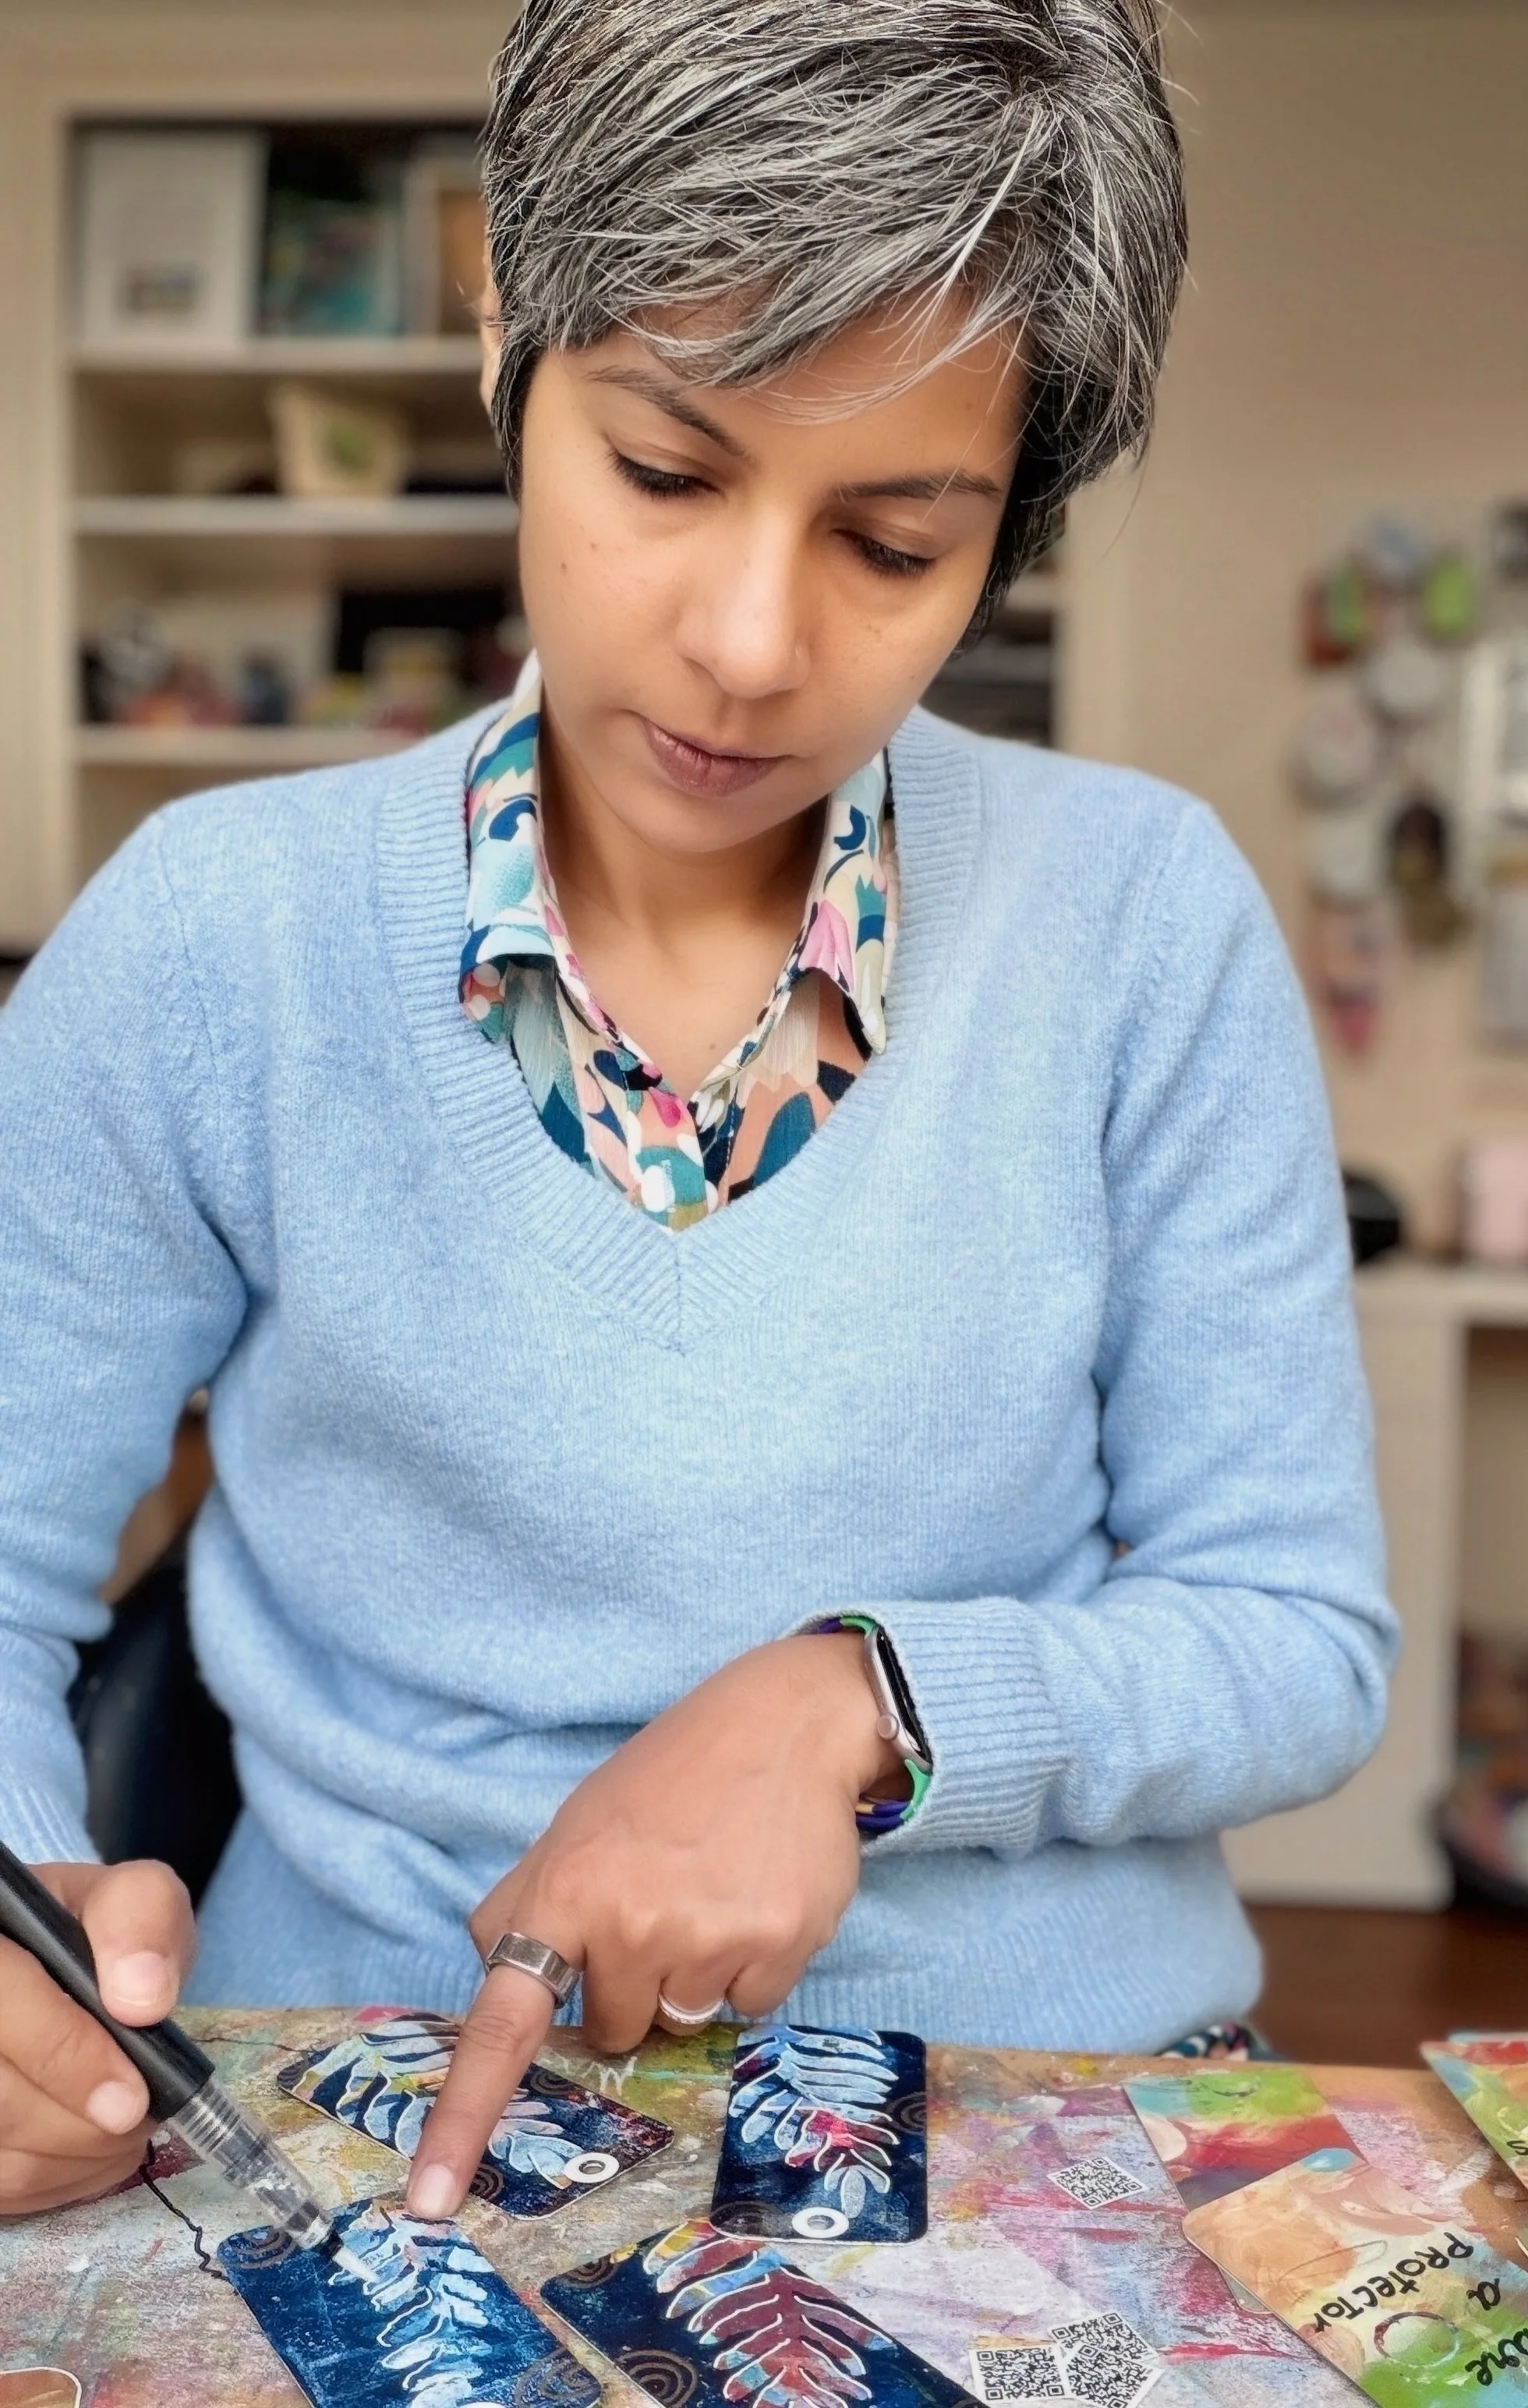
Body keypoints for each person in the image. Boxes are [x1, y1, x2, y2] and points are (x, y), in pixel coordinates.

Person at [0, 0, 1395, 2228]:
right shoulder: (209, 943)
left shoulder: (1141, 920)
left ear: (1004, 527)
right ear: (505, 349)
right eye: (663, 471)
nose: (751, 641)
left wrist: (859, 1710)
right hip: (341, 2120)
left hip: (1032, 2109)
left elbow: (1296, 1637)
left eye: (892, 542)